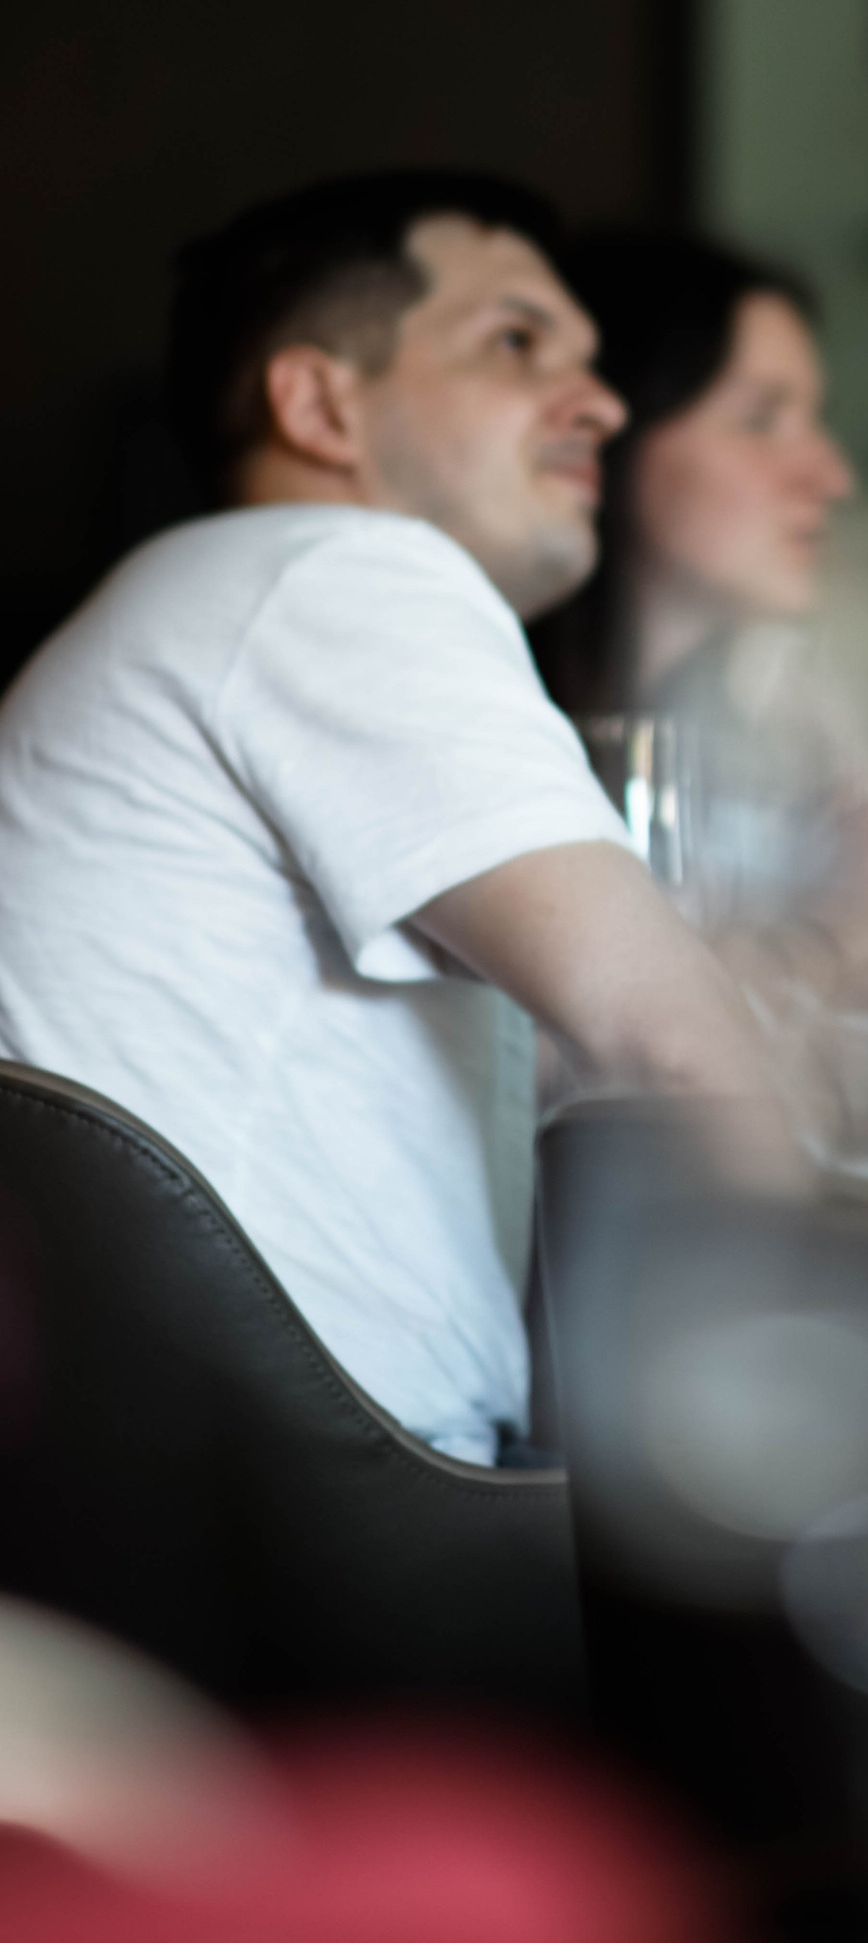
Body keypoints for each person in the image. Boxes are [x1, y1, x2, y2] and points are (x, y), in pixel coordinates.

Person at [0, 173, 773, 1464]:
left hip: (165, 1473)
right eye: (516, 343)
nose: (601, 403)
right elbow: (672, 1043)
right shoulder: (336, 570)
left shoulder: (205, 601)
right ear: (319, 405)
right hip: (319, 1486)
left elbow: (575, 1063)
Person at [538, 230, 868, 1010]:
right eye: (762, 420)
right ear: (612, 424)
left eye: (816, 420)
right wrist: (830, 944)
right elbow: (547, 1048)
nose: (833, 477)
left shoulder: (799, 726)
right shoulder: (502, 738)